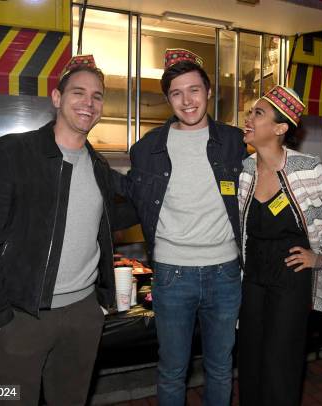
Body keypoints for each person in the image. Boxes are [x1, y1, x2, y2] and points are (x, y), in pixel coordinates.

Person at [0, 55, 135, 405]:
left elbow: (116, 221)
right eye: (78, 92)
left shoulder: (100, 169)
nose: (89, 102)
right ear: (57, 98)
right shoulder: (12, 153)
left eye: (97, 96)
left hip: (83, 316)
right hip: (21, 317)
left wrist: (98, 307)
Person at [119, 49, 245, 406]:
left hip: (225, 273)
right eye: (176, 93)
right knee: (173, 370)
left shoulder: (235, 142)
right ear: (168, 99)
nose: (187, 100)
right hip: (172, 275)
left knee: (221, 367)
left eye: (194, 90)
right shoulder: (146, 149)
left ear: (208, 92)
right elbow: (133, 201)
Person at [237, 85, 322, 406]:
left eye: (258, 113)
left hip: (291, 277)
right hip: (253, 276)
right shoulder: (245, 170)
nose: (248, 118)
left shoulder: (307, 168)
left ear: (280, 129)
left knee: (281, 359)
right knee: (250, 355)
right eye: (251, 111)